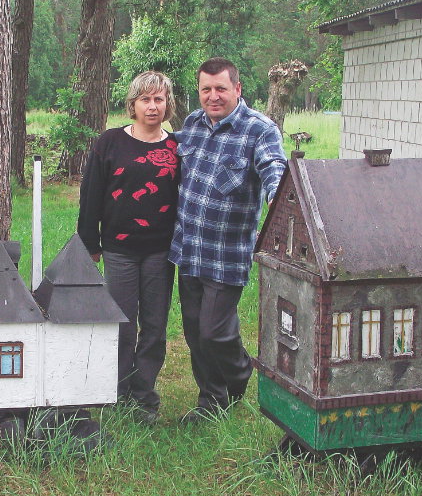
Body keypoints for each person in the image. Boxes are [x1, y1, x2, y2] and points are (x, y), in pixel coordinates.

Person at [169, 57, 286, 422]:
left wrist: (279, 201)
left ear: (237, 88)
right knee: (194, 332)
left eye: (221, 88)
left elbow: (274, 169)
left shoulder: (259, 130)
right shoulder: (192, 124)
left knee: (214, 332)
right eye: (206, 89)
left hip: (227, 253)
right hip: (188, 248)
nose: (213, 96)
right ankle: (211, 398)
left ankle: (237, 376)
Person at [77, 71, 181, 424]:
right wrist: (89, 242)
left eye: (159, 99)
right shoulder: (109, 143)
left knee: (153, 326)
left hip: (161, 252)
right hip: (118, 249)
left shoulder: (177, 148)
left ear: (168, 104)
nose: (152, 106)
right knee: (121, 323)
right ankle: (117, 390)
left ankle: (144, 395)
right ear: (133, 104)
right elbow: (91, 194)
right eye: (145, 99)